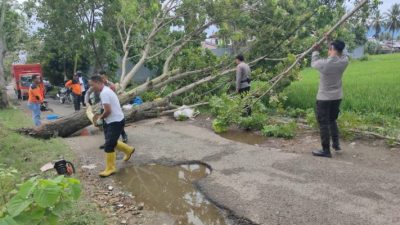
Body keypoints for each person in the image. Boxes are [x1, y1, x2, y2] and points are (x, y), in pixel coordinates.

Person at [89, 75, 135, 177]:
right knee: (110, 141)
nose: (92, 88)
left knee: (109, 145)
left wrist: (100, 118)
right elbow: (106, 109)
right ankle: (128, 150)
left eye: (92, 85)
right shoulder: (105, 91)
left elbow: (108, 111)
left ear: (98, 82)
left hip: (115, 121)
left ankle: (110, 168)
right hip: (112, 120)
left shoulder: (105, 93)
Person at [311, 38, 349, 158]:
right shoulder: (344, 61)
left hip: (324, 98)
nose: (328, 51)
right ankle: (336, 145)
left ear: (332, 49)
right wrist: (329, 41)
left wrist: (315, 51)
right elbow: (341, 51)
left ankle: (325, 150)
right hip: (337, 97)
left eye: (329, 49)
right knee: (332, 120)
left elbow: (313, 63)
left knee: (323, 123)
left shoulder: (325, 64)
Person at [85, 71, 129, 147]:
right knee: (105, 126)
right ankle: (107, 142)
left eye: (103, 77)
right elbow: (88, 93)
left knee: (114, 123)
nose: (102, 78)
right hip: (101, 105)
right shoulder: (96, 86)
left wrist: (101, 116)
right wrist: (86, 102)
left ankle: (122, 136)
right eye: (100, 77)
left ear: (105, 77)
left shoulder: (110, 86)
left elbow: (114, 97)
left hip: (109, 106)